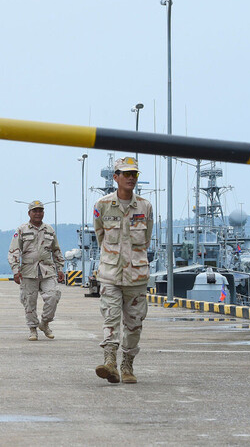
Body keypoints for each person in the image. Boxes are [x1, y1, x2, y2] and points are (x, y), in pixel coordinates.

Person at [92, 156, 153, 384]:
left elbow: (146, 240)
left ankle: (127, 365)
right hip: (110, 275)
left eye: (134, 174)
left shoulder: (145, 206)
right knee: (111, 318)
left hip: (136, 277)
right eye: (126, 174)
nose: (130, 178)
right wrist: (112, 258)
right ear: (115, 177)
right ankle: (109, 362)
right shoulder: (103, 205)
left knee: (134, 324)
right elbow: (100, 236)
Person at [8, 200, 65, 341]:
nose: (38, 213)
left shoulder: (49, 230)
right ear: (29, 213)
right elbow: (14, 251)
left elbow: (56, 250)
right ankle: (33, 329)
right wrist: (15, 270)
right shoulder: (21, 230)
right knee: (29, 302)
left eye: (40, 211)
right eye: (35, 211)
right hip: (28, 271)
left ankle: (44, 323)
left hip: (47, 270)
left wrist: (60, 268)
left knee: (53, 296)